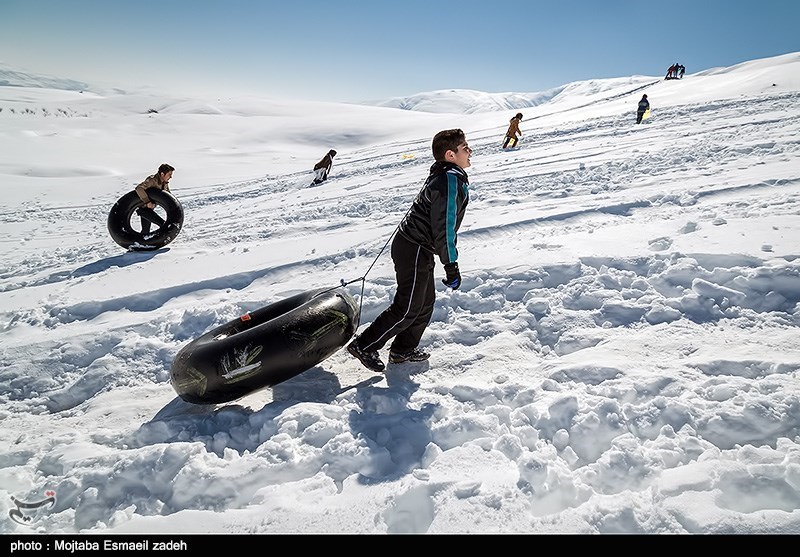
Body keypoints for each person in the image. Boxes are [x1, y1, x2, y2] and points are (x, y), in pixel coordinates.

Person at [347, 129, 471, 372]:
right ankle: (364, 345)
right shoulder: (449, 180)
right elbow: (444, 226)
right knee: (408, 306)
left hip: (418, 247)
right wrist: (451, 264)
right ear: (450, 154)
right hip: (413, 247)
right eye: (465, 147)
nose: (470, 151)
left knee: (425, 304)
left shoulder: (448, 175)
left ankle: (403, 350)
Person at [134, 163, 174, 235]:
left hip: (150, 209)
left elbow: (168, 194)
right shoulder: (152, 180)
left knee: (146, 230)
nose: (171, 177)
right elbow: (139, 188)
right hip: (144, 208)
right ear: (162, 174)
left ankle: (142, 243)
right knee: (163, 224)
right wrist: (147, 201)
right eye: (169, 174)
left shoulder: (165, 183)